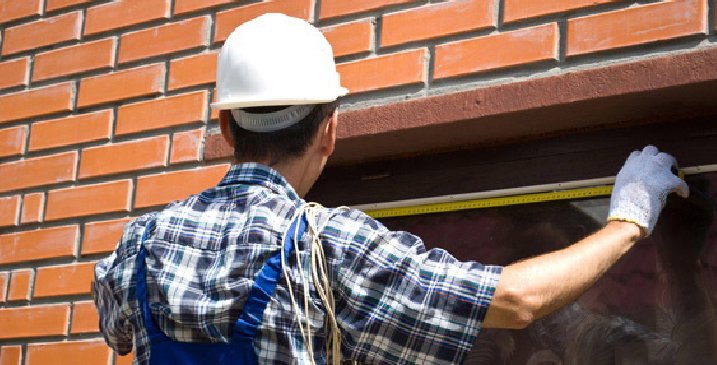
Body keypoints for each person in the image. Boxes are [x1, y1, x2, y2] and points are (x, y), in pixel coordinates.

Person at [93, 13, 689, 365]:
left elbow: (115, 328)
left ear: (225, 126)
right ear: (331, 129)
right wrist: (629, 218)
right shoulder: (328, 245)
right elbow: (515, 300)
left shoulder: (140, 243)